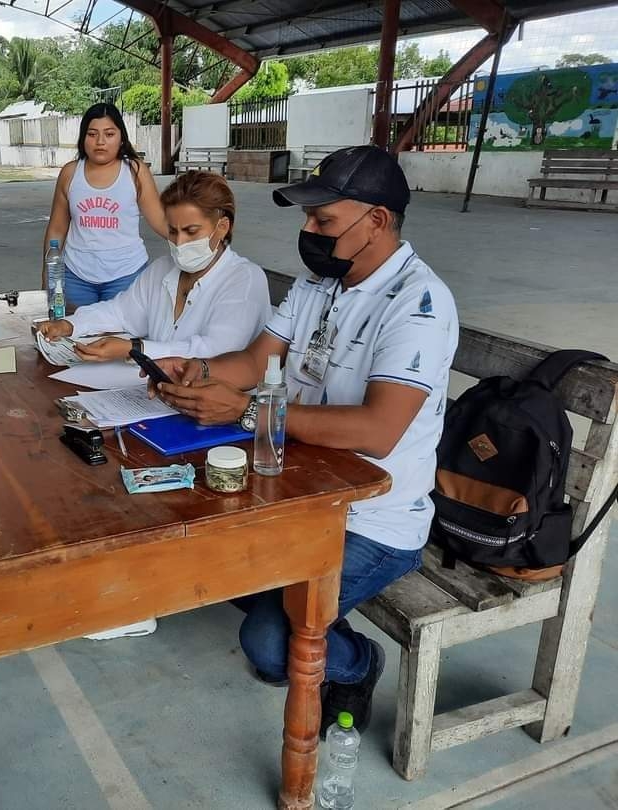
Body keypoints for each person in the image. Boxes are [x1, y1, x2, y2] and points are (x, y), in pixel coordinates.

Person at [152, 145, 459, 736]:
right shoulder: (321, 282)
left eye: (324, 221)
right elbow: (256, 358)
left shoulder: (418, 304)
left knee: (269, 645)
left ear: (378, 220)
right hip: (301, 486)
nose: (308, 232)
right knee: (202, 558)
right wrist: (204, 373)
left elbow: (378, 429)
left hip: (376, 516)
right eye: (307, 219)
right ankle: (305, 618)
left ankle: (356, 662)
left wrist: (246, 410)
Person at [37, 170, 270, 362]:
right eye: (172, 231)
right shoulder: (162, 269)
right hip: (160, 394)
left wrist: (135, 348)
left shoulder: (245, 279)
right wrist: (69, 325)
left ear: (222, 227)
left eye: (191, 231)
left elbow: (217, 351)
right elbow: (120, 312)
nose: (179, 242)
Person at [44, 102, 168, 307]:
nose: (100, 141)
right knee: (72, 335)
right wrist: (48, 276)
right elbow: (56, 229)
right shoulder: (70, 173)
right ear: (83, 138)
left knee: (119, 336)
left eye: (109, 134)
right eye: (92, 134)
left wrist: (196, 243)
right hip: (76, 277)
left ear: (121, 138)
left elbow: (161, 222)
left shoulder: (134, 171)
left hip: (126, 276)